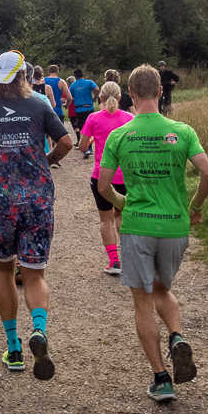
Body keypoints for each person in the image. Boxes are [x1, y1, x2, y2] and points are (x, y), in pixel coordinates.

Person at [0, 50, 74, 381]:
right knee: (34, 275)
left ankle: (14, 347)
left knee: (3, 270)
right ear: (23, 76)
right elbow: (66, 142)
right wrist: (46, 161)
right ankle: (39, 329)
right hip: (37, 199)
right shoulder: (38, 104)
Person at [99, 64, 208, 403]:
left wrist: (124, 201)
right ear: (160, 91)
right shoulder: (182, 131)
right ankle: (177, 337)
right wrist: (194, 207)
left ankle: (161, 378)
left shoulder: (121, 135)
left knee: (142, 302)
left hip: (138, 225)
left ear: (130, 94)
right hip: (176, 225)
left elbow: (104, 186)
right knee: (163, 288)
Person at [79, 82, 133, 274]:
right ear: (120, 99)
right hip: (125, 177)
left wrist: (93, 139)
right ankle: (129, 259)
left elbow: (83, 147)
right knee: (121, 215)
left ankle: (114, 262)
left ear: (100, 98)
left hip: (101, 176)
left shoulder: (93, 118)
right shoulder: (130, 119)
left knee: (106, 219)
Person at [67, 68, 99, 150]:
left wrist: (68, 103)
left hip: (79, 109)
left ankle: (85, 148)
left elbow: (70, 97)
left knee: (82, 129)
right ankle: (90, 148)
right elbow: (97, 89)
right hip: (89, 108)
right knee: (91, 128)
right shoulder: (89, 82)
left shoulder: (73, 85)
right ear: (82, 75)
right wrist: (94, 97)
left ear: (75, 76)